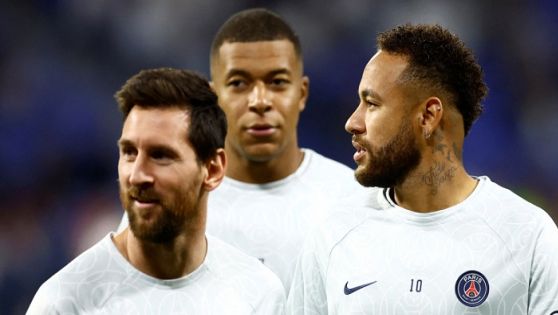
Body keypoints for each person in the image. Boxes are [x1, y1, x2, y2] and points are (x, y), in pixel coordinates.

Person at [287, 24, 558, 315]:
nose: (353, 122)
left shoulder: (527, 235)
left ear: (429, 116)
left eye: (372, 104)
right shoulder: (334, 235)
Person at [118, 8, 374, 292]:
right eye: (239, 84)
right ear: (215, 98)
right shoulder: (166, 202)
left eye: (277, 82)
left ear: (301, 94)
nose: (259, 101)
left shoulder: (354, 202)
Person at [28, 68, 285, 314]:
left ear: (213, 170)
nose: (137, 175)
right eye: (129, 153)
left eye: (161, 156)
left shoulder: (256, 293)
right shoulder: (66, 302)